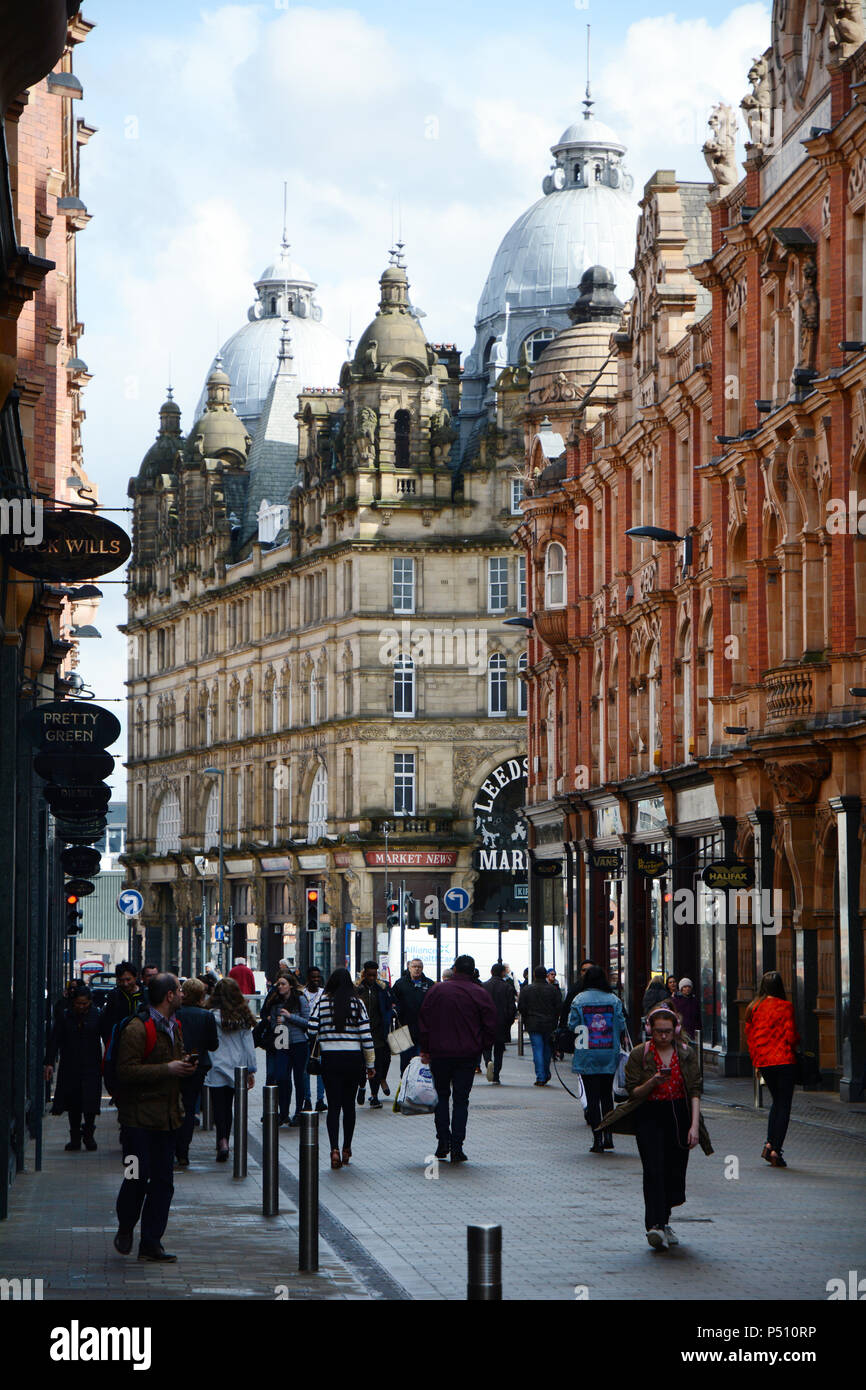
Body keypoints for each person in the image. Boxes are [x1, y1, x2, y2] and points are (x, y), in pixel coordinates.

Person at [597, 1006, 712, 1249]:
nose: (662, 1036)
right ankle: (655, 1226)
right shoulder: (640, 1054)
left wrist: (694, 1126)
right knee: (653, 1169)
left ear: (676, 1030)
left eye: (667, 1032)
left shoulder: (686, 1053)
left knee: (675, 1171)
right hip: (649, 1115)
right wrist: (653, 1081)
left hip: (679, 1114)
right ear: (650, 1029)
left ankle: (665, 1219)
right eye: (658, 1031)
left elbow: (694, 1090)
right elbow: (633, 1092)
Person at [113, 973, 196, 1262]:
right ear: (169, 996)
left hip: (167, 1120)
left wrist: (183, 1065)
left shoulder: (175, 1026)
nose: (183, 994)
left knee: (163, 1183)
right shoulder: (138, 1029)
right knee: (135, 1177)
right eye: (180, 990)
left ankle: (151, 1242)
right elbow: (125, 1072)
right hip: (137, 1122)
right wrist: (168, 1069)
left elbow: (170, 1064)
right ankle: (126, 1226)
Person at [418, 955, 497, 1163]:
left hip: (440, 1053)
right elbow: (491, 1025)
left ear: (454, 969)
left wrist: (425, 1049)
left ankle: (442, 1141)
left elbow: (424, 1021)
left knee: (442, 1096)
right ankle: (457, 1146)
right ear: (472, 972)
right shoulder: (479, 993)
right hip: (467, 1054)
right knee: (461, 1099)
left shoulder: (437, 990)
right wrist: (482, 1046)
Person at [307, 968, 375, 1169]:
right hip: (353, 1059)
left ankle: (334, 1149)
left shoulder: (323, 1002)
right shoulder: (358, 1003)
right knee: (349, 1106)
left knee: (333, 1106)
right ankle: (347, 1148)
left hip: (331, 1059)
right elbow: (366, 1035)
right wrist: (371, 1064)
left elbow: (311, 1029)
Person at [745, 970, 800, 1168]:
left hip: (765, 1062)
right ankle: (776, 1149)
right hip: (784, 1060)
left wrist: (756, 1062)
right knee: (784, 1105)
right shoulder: (785, 1007)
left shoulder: (754, 1007)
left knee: (776, 1103)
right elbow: (791, 1035)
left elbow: (750, 1038)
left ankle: (769, 1144)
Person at [569, 965, 627, 1152]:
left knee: (592, 1098)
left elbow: (573, 1025)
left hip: (586, 1051)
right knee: (606, 1096)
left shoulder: (579, 1000)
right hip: (609, 1051)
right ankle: (609, 1134)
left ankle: (597, 1138)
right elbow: (621, 1023)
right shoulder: (614, 1000)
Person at [203, 977, 257, 1161]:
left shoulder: (209, 1015)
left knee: (219, 1106)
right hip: (237, 1066)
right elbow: (248, 1044)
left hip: (216, 1064)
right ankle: (228, 1140)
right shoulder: (242, 1017)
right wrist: (251, 1069)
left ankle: (222, 1140)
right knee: (232, 1105)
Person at [44, 985, 103, 1151]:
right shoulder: (66, 1017)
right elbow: (55, 1039)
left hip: (92, 1065)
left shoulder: (96, 1016)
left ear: (90, 1002)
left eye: (84, 1003)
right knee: (74, 1102)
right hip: (71, 1065)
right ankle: (75, 1137)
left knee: (90, 1101)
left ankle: (89, 1134)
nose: (81, 1007)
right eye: (78, 1003)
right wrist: (49, 1062)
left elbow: (106, 1036)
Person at [174, 977, 219, 1167]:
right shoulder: (206, 1016)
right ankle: (183, 1150)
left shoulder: (175, 1013)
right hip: (197, 1065)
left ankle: (172, 1146)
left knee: (173, 1106)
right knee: (190, 1107)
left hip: (175, 1063)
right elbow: (213, 1045)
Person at [258, 974, 311, 1125]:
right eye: (278, 984)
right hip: (282, 1043)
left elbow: (308, 1022)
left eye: (283, 984)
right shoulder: (275, 1002)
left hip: (299, 1043)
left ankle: (299, 1112)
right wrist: (276, 1023)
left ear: (291, 986)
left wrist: (290, 1017)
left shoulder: (300, 1000)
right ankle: (283, 1112)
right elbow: (273, 1023)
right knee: (282, 1077)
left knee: (299, 1078)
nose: (280, 986)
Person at [355, 962, 395, 1107]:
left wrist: (388, 1018)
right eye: (369, 974)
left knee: (377, 1064)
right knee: (361, 1065)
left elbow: (389, 1006)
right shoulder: (357, 988)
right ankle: (361, 1086)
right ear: (364, 973)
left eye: (374, 974)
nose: (372, 978)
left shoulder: (382, 988)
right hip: (361, 1033)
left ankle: (374, 1095)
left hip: (378, 1033)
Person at [519, 965, 563, 1085]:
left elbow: (521, 1007)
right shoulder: (553, 990)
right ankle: (546, 1072)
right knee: (547, 1048)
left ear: (534, 975)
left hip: (533, 1023)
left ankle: (540, 1076)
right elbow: (559, 1006)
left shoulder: (527, 990)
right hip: (549, 1023)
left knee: (537, 1049)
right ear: (546, 975)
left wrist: (527, 1017)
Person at [391, 957, 435, 1074]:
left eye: (419, 967)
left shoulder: (429, 984)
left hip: (423, 1029)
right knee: (405, 1062)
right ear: (409, 968)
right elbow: (392, 1001)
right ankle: (404, 1083)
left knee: (422, 1060)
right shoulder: (400, 984)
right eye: (414, 966)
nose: (416, 969)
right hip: (403, 1029)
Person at [482, 963, 517, 1084]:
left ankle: (487, 1061)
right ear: (503, 973)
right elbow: (512, 1008)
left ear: (491, 972)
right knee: (499, 1049)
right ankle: (496, 1074)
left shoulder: (484, 986)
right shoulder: (507, 987)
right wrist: (509, 1021)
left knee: (486, 1046)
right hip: (501, 1023)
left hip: (486, 1022)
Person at [100, 962, 145, 1044]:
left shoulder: (146, 995)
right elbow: (107, 1023)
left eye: (128, 979)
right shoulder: (113, 996)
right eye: (121, 980)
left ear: (135, 977)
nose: (125, 984)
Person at [302, 967, 327, 1112]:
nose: (316, 980)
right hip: (305, 1037)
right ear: (308, 978)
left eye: (318, 977)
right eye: (313, 977)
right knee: (305, 1069)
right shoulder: (302, 994)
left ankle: (320, 1099)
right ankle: (307, 1099)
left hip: (320, 1038)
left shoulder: (324, 994)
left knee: (321, 1069)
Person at [559, 959, 596, 1029]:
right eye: (584, 970)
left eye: (590, 970)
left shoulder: (607, 993)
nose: (586, 972)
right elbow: (566, 1010)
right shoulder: (574, 990)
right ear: (580, 972)